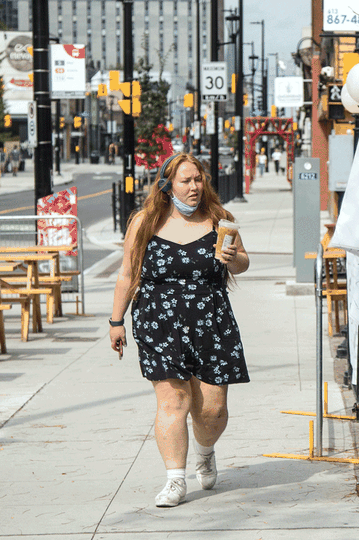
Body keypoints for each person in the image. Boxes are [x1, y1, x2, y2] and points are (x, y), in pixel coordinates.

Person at [109, 153, 250, 508]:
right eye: (186, 180)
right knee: (174, 401)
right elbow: (127, 274)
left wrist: (233, 258)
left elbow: (245, 261)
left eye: (198, 179)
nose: (194, 187)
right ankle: (175, 480)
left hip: (211, 320)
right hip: (159, 321)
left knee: (212, 411)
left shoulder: (221, 220)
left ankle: (205, 450)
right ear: (167, 185)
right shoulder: (145, 222)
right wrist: (116, 321)